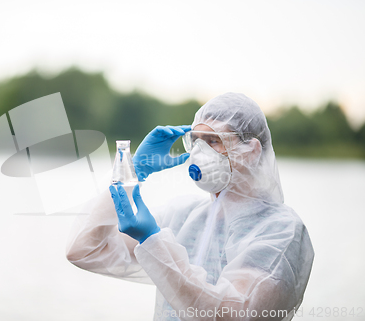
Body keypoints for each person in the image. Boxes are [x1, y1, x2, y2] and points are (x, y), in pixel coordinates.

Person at [66, 93, 314, 321]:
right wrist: (131, 172)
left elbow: (237, 314)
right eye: (195, 140)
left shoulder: (281, 230)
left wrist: (154, 243)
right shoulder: (183, 216)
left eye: (213, 140)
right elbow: (84, 250)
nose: (200, 152)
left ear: (250, 150)